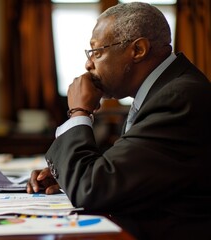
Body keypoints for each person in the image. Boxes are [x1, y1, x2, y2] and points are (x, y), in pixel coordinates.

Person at [26, 2, 211, 239]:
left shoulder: (179, 97)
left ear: (138, 50)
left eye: (97, 51)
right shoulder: (163, 91)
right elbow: (118, 172)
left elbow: (92, 189)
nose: (88, 64)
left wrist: (79, 111)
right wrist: (66, 172)